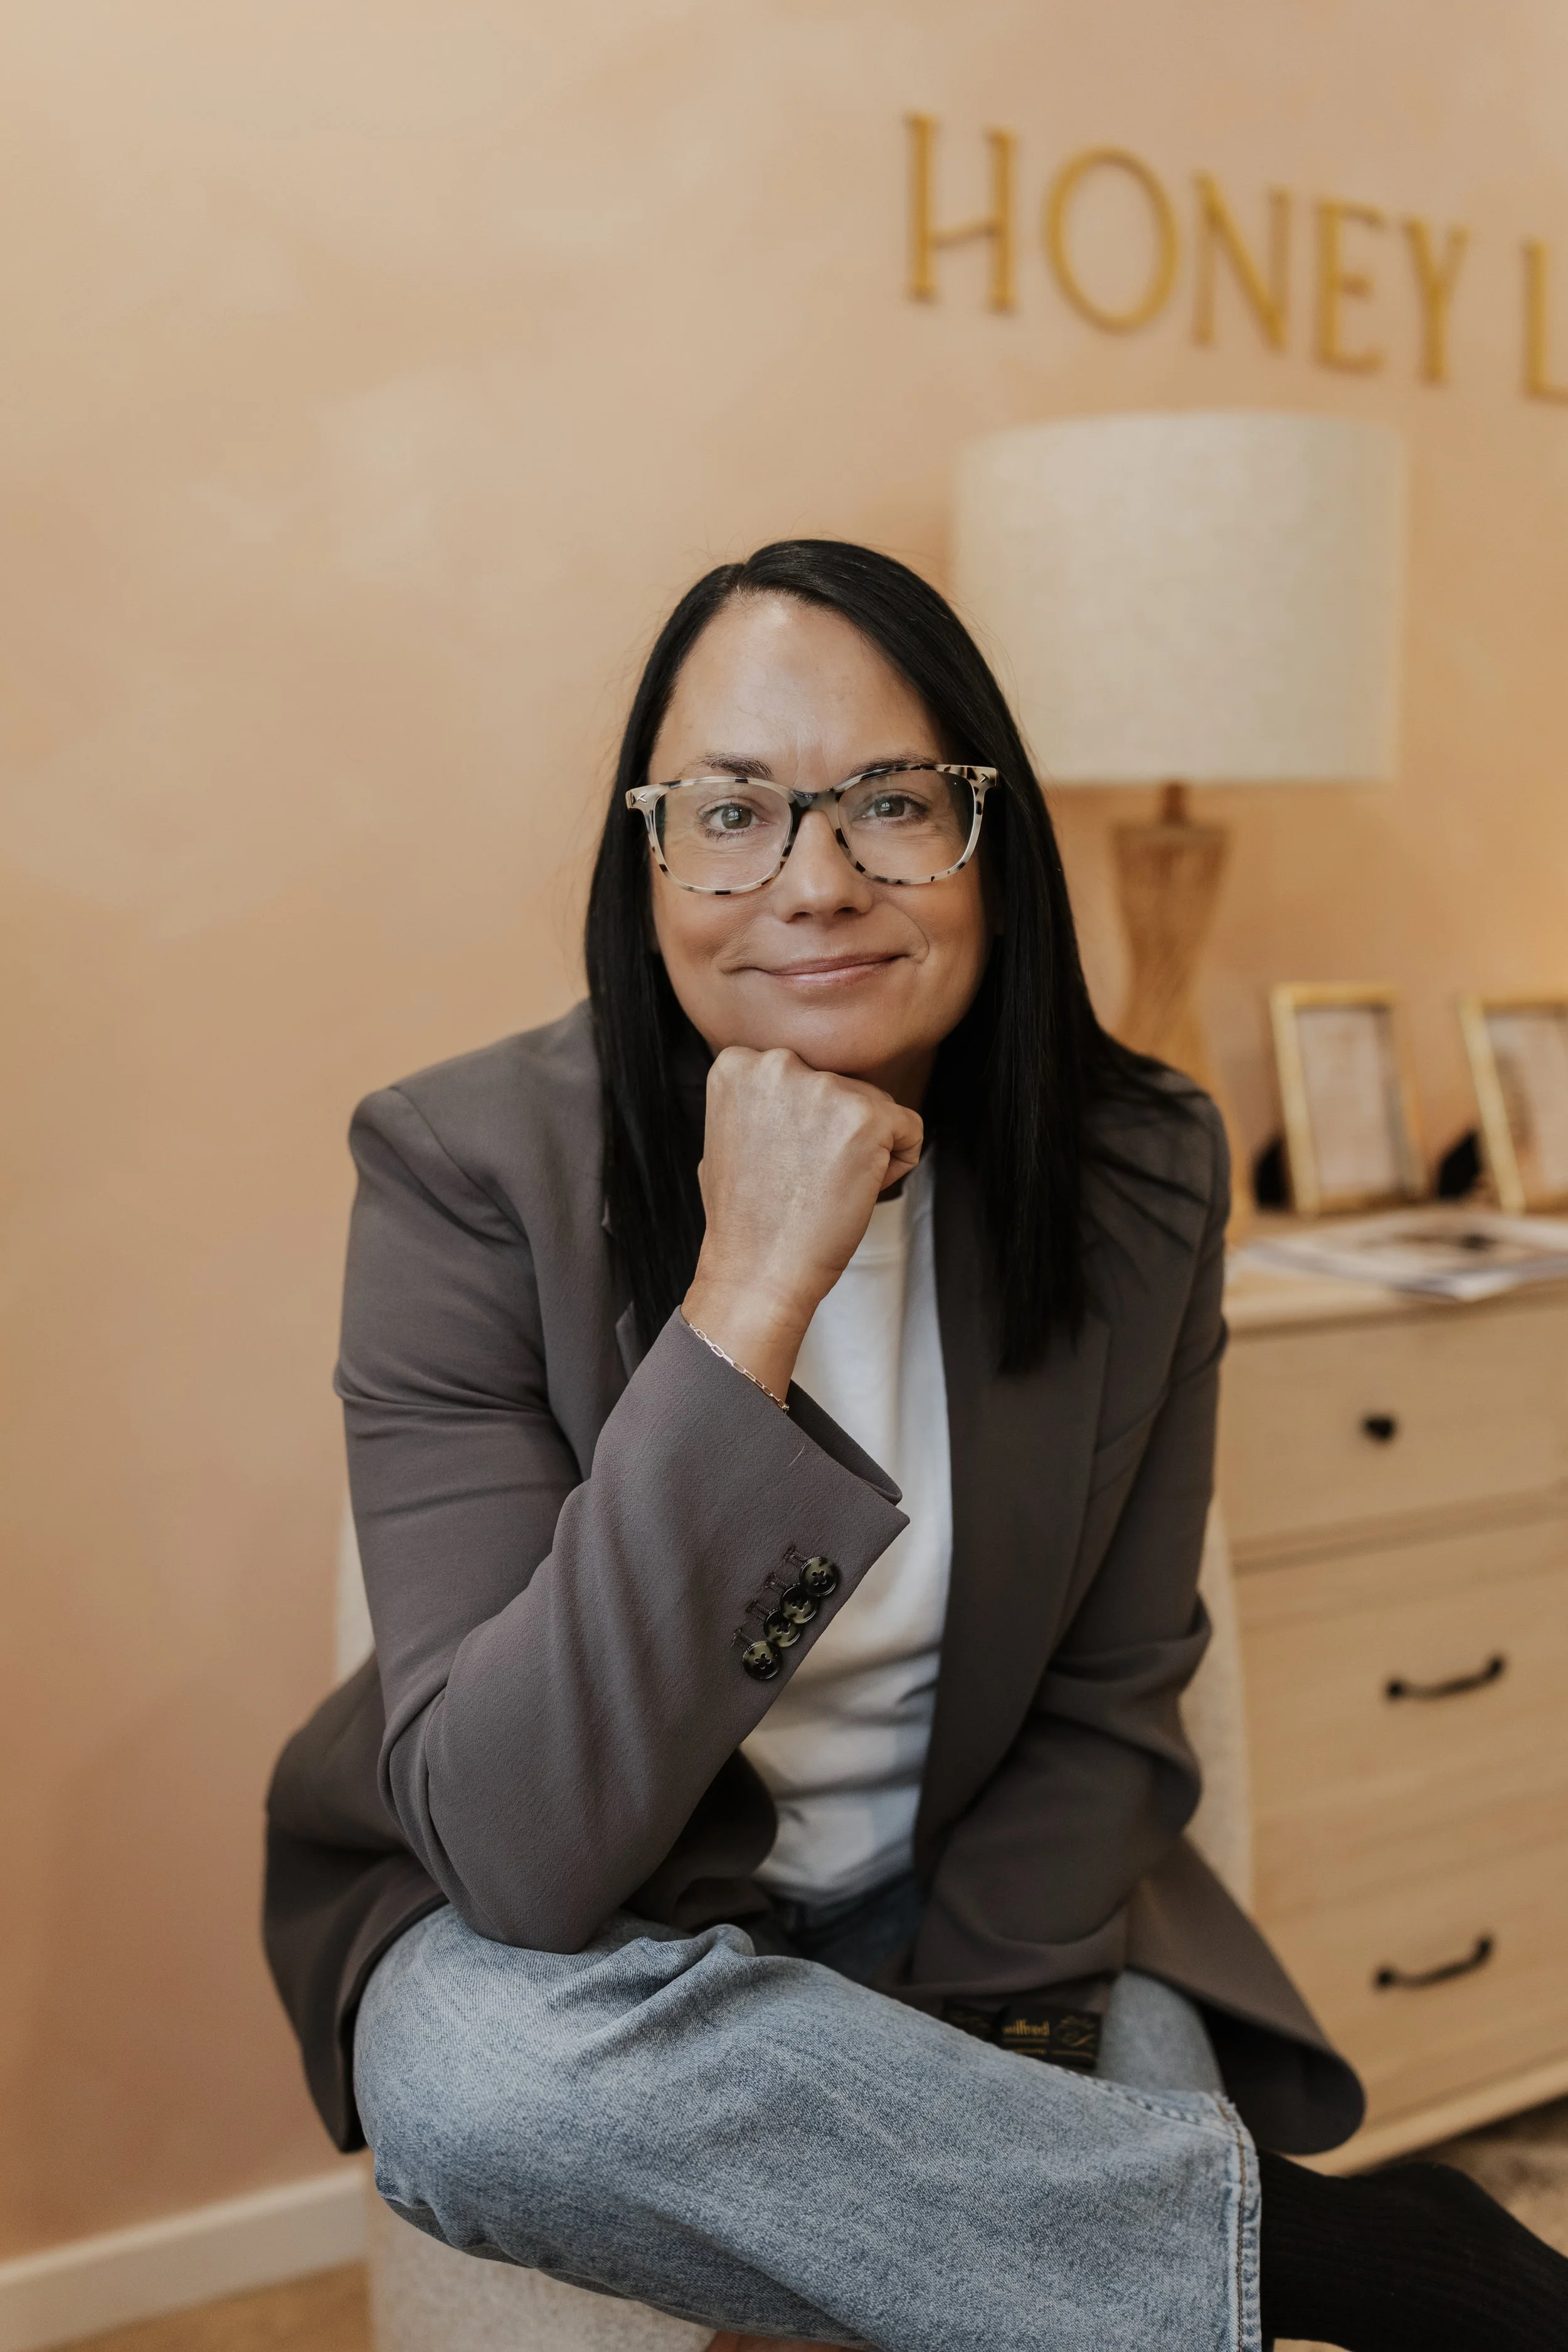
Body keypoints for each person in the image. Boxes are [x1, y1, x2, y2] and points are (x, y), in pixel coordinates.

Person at [265, 541, 1567, 2352]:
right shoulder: (464, 1173)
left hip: (982, 1896)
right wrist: (749, 1293)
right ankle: (1374, 2262)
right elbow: (520, 1845)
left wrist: (976, 2071)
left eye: (889, 800)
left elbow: (1110, 1681)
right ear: (650, 859)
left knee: (1082, 2216)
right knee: (476, 2075)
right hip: (595, 1945)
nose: (810, 882)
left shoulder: (1143, 1165)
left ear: (989, 835)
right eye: (728, 809)